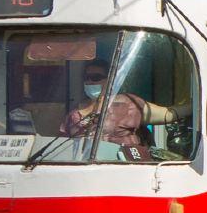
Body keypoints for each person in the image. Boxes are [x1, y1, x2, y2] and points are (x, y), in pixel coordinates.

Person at [60, 59, 188, 158]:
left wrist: (196, 105)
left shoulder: (127, 105)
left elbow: (167, 114)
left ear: (110, 80)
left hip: (124, 170)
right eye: (86, 77)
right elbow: (61, 149)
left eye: (96, 78)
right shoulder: (73, 115)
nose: (89, 81)